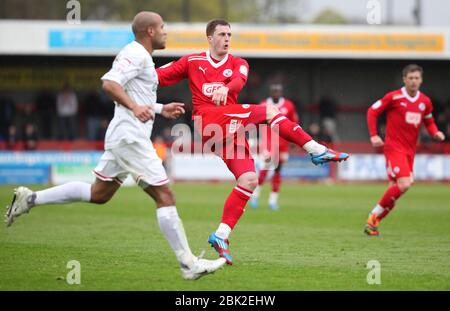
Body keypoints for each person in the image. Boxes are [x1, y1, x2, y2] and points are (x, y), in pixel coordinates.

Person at [5, 11, 226, 280]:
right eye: (162, 27)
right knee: (165, 196)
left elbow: (133, 93)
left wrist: (158, 108)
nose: (166, 31)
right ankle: (188, 264)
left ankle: (30, 199)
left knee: (99, 194)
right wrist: (135, 107)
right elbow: (109, 84)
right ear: (150, 32)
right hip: (129, 136)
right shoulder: (135, 53)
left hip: (124, 135)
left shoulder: (141, 56)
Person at [156, 19, 349, 265]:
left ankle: (221, 235)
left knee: (249, 179)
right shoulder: (192, 61)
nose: (227, 38)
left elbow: (239, 80)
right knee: (268, 112)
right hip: (208, 121)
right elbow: (158, 76)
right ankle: (316, 149)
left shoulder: (238, 63)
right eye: (222, 34)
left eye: (229, 34)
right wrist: (135, 74)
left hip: (230, 130)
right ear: (209, 38)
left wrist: (227, 88)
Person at [364, 64, 445, 236]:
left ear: (421, 80)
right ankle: (373, 215)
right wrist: (373, 135)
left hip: (410, 151)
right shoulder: (394, 97)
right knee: (405, 183)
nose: (414, 81)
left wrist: (435, 132)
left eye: (417, 78)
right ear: (404, 79)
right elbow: (372, 111)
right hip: (394, 147)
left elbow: (429, 121)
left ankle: (374, 224)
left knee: (396, 187)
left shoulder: (425, 102)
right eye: (411, 78)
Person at [250, 83, 299, 211]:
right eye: (274, 91)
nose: (276, 93)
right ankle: (255, 196)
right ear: (270, 93)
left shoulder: (289, 105)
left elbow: (294, 122)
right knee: (266, 168)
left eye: (278, 91)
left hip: (283, 143)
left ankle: (273, 200)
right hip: (268, 141)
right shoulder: (263, 104)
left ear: (281, 92)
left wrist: (294, 139)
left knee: (278, 170)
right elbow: (256, 121)